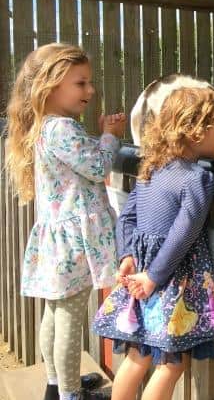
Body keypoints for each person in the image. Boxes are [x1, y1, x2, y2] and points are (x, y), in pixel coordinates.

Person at [4, 43, 126, 400]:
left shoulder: (45, 127)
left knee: (55, 315)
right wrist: (110, 138)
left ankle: (56, 386)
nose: (90, 90)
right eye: (81, 83)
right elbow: (96, 166)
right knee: (69, 320)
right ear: (50, 84)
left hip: (57, 240)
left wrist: (98, 135)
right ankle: (71, 395)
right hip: (73, 243)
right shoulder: (62, 128)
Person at [92, 87, 214, 400]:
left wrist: (127, 255)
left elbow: (126, 218)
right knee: (171, 363)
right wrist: (153, 277)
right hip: (167, 278)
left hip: (140, 273)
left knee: (138, 354)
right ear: (197, 132)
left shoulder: (151, 169)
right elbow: (184, 232)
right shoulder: (198, 179)